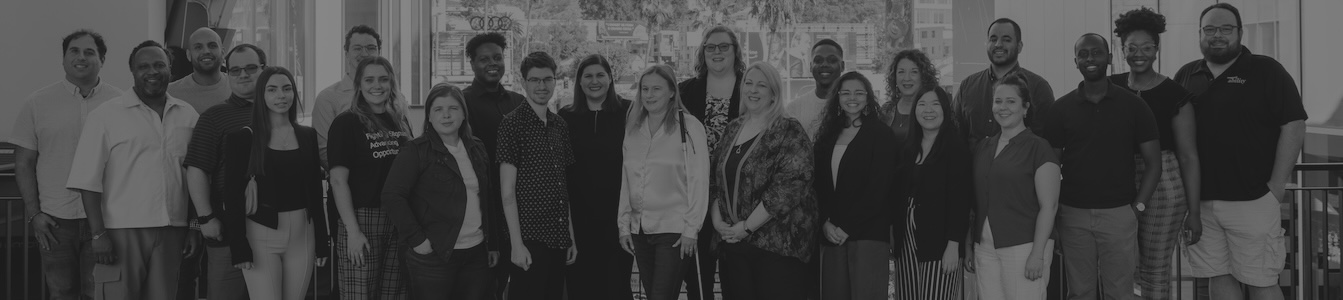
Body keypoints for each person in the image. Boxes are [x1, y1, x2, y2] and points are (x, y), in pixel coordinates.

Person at [1173, 3, 1306, 300]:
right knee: (1217, 276)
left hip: (1254, 199)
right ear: (1200, 33)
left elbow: (1294, 125)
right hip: (1201, 204)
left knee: (1261, 280)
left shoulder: (1266, 70)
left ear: (1240, 33)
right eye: (1210, 29)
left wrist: (1276, 187)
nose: (1217, 35)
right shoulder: (1186, 73)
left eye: (1225, 29)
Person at [66, 40, 201, 300]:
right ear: (133, 72)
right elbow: (87, 180)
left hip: (173, 230)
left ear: (170, 69)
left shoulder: (188, 115)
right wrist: (98, 234)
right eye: (144, 66)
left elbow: (195, 177)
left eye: (159, 65)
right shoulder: (105, 115)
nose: (152, 71)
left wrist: (194, 226)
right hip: (120, 232)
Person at [1042, 33, 1162, 300]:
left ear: (1108, 58)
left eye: (1096, 52)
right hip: (1073, 216)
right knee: (1080, 292)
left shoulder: (1134, 105)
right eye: (1083, 54)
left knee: (1120, 292)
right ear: (1075, 61)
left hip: (1119, 214)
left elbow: (1155, 164)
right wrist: (1054, 217)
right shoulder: (1061, 110)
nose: (1090, 59)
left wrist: (1137, 208)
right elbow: (1050, 168)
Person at [11, 29, 124, 300]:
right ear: (63, 59)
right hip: (55, 221)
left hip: (105, 219)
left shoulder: (120, 103)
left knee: (100, 293)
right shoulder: (37, 103)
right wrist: (34, 214)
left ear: (102, 59)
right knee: (61, 293)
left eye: (89, 52)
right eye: (74, 51)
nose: (81, 57)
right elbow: (24, 163)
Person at [1110, 8, 1203, 299]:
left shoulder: (1175, 94)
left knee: (1154, 269)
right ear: (1121, 49)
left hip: (1164, 184)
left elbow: (1188, 156)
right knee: (1118, 265)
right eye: (1132, 47)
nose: (1139, 54)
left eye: (1147, 47)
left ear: (1157, 49)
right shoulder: (1110, 86)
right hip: (1118, 179)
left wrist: (1195, 212)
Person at [381, 84, 504, 300]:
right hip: (434, 255)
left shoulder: (477, 147)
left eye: (453, 108)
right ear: (429, 116)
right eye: (438, 109)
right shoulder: (415, 151)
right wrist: (418, 241)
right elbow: (392, 196)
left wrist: (492, 244)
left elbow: (487, 198)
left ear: (464, 113)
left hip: (476, 253)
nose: (446, 115)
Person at [219, 67, 329, 300]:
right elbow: (232, 196)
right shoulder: (243, 138)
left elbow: (315, 192)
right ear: (262, 95)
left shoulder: (307, 136)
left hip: (303, 235)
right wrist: (238, 246)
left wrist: (321, 240)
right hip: (260, 237)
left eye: (287, 89)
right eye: (272, 90)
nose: (281, 96)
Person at [711, 62, 818, 300]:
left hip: (777, 246)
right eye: (748, 83)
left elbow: (790, 186)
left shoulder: (788, 130)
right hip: (734, 244)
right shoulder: (733, 129)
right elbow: (716, 180)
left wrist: (747, 227)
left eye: (762, 85)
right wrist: (719, 223)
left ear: (774, 93)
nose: (753, 90)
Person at [616, 64, 710, 300]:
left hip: (675, 230)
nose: (649, 95)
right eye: (644, 89)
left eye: (656, 89)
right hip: (640, 229)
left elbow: (699, 180)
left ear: (671, 92)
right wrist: (623, 224)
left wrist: (691, 229)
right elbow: (627, 179)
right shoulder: (633, 128)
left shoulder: (689, 127)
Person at [182, 43, 267, 300]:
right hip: (228, 229)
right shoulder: (214, 117)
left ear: (264, 70)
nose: (243, 74)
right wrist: (206, 219)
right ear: (228, 74)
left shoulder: (280, 112)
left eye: (251, 68)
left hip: (276, 229)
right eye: (235, 70)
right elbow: (196, 170)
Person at [328, 56, 412, 299]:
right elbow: (337, 181)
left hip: (398, 218)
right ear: (359, 85)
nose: (377, 85)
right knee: (360, 294)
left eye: (384, 79)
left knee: (395, 294)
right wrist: (352, 231)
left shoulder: (401, 121)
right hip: (362, 218)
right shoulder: (346, 123)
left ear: (392, 83)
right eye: (370, 79)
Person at [972, 75, 1060, 300]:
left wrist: (1037, 254)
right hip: (985, 246)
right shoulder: (984, 146)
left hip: (1025, 247)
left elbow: (1049, 206)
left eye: (1011, 101)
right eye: (998, 101)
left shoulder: (1039, 148)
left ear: (1025, 107)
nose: (1003, 107)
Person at [497, 52, 576, 300]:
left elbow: (563, 186)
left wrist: (571, 236)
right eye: (535, 80)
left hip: (558, 235)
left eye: (547, 79)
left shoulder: (559, 125)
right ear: (524, 83)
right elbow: (507, 191)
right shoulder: (511, 124)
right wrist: (516, 244)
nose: (542, 86)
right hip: (529, 237)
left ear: (555, 81)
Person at [812, 71, 898, 300]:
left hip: (868, 234)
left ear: (868, 97)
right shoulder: (827, 136)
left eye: (859, 92)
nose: (853, 97)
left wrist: (847, 226)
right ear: (838, 97)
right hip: (831, 235)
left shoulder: (881, 135)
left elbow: (878, 188)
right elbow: (818, 186)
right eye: (846, 92)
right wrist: (825, 223)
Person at [558, 54, 634, 300]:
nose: (594, 81)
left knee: (616, 283)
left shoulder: (629, 111)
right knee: (581, 283)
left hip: (617, 216)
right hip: (578, 218)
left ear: (610, 79)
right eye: (587, 76)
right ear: (579, 82)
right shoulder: (566, 117)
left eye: (600, 75)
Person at [678, 26, 745, 300]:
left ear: (735, 51)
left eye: (724, 46)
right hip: (696, 195)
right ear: (702, 53)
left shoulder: (750, 88)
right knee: (697, 277)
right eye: (710, 47)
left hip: (738, 196)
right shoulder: (684, 91)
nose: (717, 52)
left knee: (737, 278)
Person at [460, 31, 525, 299]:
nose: (492, 63)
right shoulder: (462, 102)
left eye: (497, 57)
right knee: (486, 283)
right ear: (472, 63)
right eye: (484, 59)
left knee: (521, 277)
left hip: (519, 204)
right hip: (482, 206)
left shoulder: (519, 102)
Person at [892, 86, 970, 299]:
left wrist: (954, 245)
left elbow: (961, 202)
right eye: (922, 104)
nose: (928, 110)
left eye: (935, 104)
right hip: (906, 239)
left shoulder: (956, 148)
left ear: (945, 110)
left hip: (940, 241)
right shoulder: (908, 148)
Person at [956, 18, 1055, 145]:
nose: (998, 44)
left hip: (1021, 164)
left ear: (1019, 47)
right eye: (993, 39)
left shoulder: (1038, 87)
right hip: (970, 164)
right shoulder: (968, 85)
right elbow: (955, 133)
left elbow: (1048, 140)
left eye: (1006, 39)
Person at [314, 25, 382, 164]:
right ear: (346, 54)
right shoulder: (328, 98)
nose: (364, 53)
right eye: (357, 48)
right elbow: (325, 152)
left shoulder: (395, 97)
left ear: (379, 53)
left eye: (371, 48)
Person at [785, 39, 845, 138]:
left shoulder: (853, 106)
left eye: (832, 60)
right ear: (810, 66)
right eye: (818, 60)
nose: (824, 64)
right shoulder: (793, 109)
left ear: (842, 66)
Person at [880, 49, 939, 146]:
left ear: (923, 76)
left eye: (914, 72)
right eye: (901, 72)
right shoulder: (886, 110)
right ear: (894, 77)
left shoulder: (936, 109)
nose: (907, 78)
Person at [168, 27, 232, 114]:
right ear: (189, 55)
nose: (206, 51)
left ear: (223, 52)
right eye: (198, 47)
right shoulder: (170, 93)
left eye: (212, 46)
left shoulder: (237, 87)